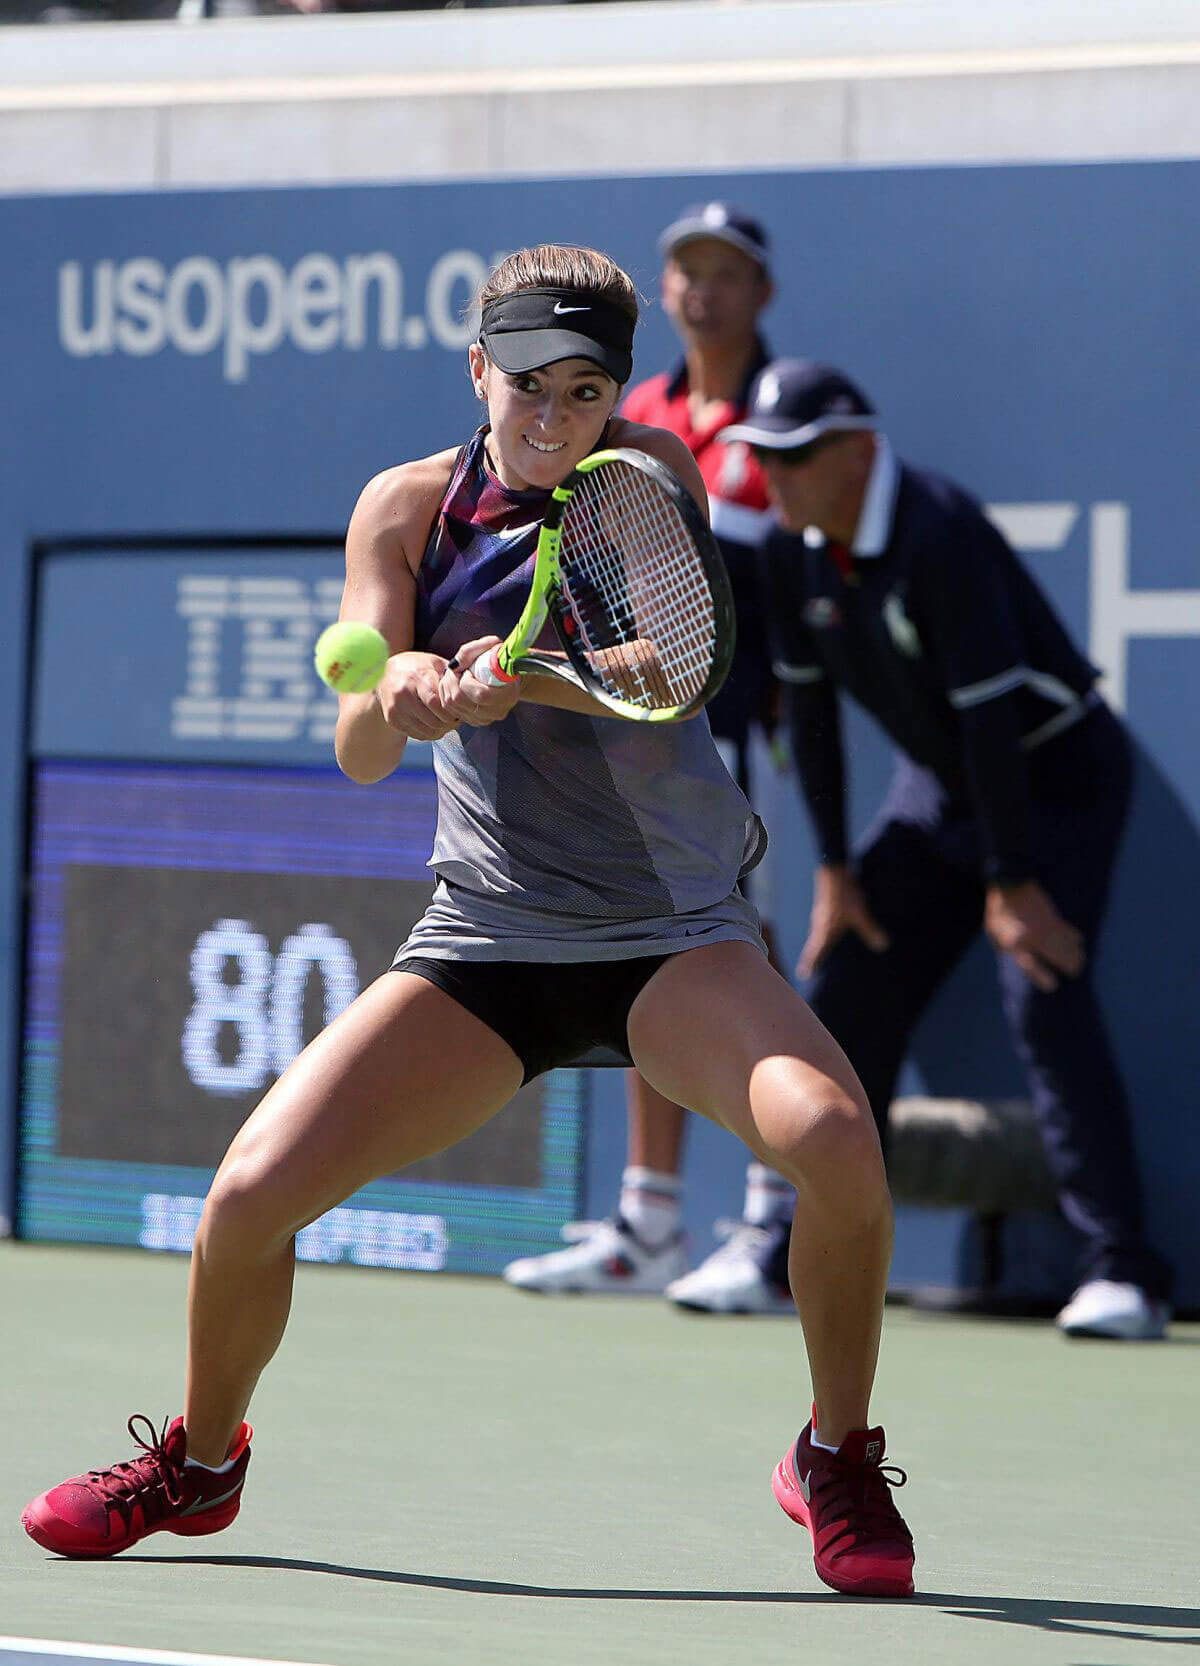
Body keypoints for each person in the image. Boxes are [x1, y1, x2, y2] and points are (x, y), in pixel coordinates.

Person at [20, 250, 915, 1597]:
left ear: (618, 392)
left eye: (586, 390)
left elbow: (673, 669)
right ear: (475, 367)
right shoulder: (404, 511)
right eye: (527, 387)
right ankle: (201, 1463)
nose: (553, 422)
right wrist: (410, 691)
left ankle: (834, 1449)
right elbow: (358, 754)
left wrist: (529, 674)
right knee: (249, 1199)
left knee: (836, 1142)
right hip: (489, 941)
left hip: (670, 934)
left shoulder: (645, 481)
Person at [721, 357, 1173, 1342]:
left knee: (1040, 990)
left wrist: (1012, 884)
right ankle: (795, 1251)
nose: (778, 477)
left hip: (1054, 778)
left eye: (798, 456)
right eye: (766, 458)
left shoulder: (940, 532)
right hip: (942, 790)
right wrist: (836, 870)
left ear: (859, 451)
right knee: (844, 987)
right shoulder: (797, 551)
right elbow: (812, 716)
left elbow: (992, 725)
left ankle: (1122, 1269)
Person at [502, 204, 795, 1313]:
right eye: (687, 273)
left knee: (733, 955)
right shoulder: (631, 410)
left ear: (760, 291)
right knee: (640, 949)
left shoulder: (779, 417)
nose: (704, 293)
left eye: (727, 274)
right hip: (605, 732)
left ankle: (770, 1224)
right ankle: (649, 1220)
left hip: (726, 730)